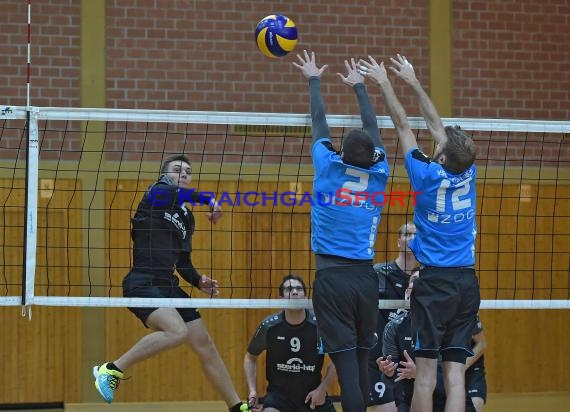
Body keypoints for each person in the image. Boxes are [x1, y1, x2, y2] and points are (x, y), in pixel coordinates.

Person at [360, 53, 480, 412]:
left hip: (435, 285)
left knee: (425, 375)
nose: (437, 142)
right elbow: (436, 125)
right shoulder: (467, 173)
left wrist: (385, 83)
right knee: (455, 376)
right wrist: (412, 81)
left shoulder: (427, 176)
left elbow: (403, 126)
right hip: (466, 283)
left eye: (439, 146)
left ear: (441, 158)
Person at [92, 154, 249, 412]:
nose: (185, 174)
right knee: (177, 332)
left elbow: (183, 262)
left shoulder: (187, 216)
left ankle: (235, 406)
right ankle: (111, 370)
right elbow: (178, 193)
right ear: (166, 175)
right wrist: (210, 199)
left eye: (188, 171)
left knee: (204, 344)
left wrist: (199, 281)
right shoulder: (157, 193)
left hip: (169, 286)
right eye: (178, 170)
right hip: (143, 282)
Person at [293, 50, 390, 412]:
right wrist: (361, 87)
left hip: (333, 280)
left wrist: (313, 78)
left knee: (348, 374)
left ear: (341, 153)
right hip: (367, 279)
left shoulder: (327, 168)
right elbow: (374, 128)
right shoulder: (381, 171)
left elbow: (318, 121)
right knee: (361, 369)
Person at [244, 274, 337, 412]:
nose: (294, 292)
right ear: (281, 299)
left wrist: (322, 389)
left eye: (299, 289)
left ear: (306, 298)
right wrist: (252, 390)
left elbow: (338, 359)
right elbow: (250, 357)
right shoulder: (269, 327)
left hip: (313, 397)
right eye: (289, 289)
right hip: (278, 398)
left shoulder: (320, 327)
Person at [368, 222, 417, 412]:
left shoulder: (426, 277)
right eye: (407, 234)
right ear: (398, 242)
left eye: (416, 235)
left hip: (409, 363)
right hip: (379, 361)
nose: (412, 238)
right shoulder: (379, 273)